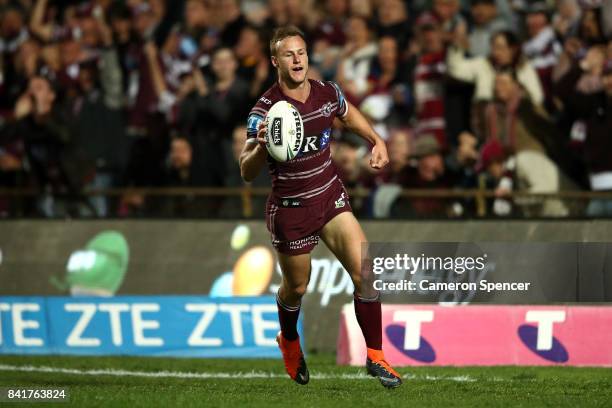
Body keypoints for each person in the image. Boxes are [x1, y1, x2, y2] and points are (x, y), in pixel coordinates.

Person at [238, 26, 401, 388]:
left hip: (329, 196)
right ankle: (290, 342)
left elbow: (345, 113)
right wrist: (261, 145)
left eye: (301, 53)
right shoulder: (264, 110)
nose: (297, 60)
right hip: (292, 209)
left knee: (366, 271)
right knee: (297, 288)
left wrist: (376, 139)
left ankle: (376, 356)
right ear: (274, 61)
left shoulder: (326, 92)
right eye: (288, 54)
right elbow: (246, 170)